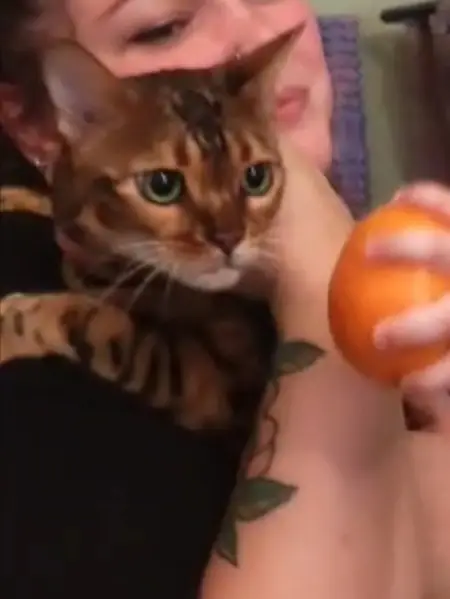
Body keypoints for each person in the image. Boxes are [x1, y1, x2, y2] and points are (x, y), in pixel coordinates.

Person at [1, 1, 450, 597]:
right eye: (162, 28)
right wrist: (325, 284)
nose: (250, 36)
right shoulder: (35, 377)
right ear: (43, 123)